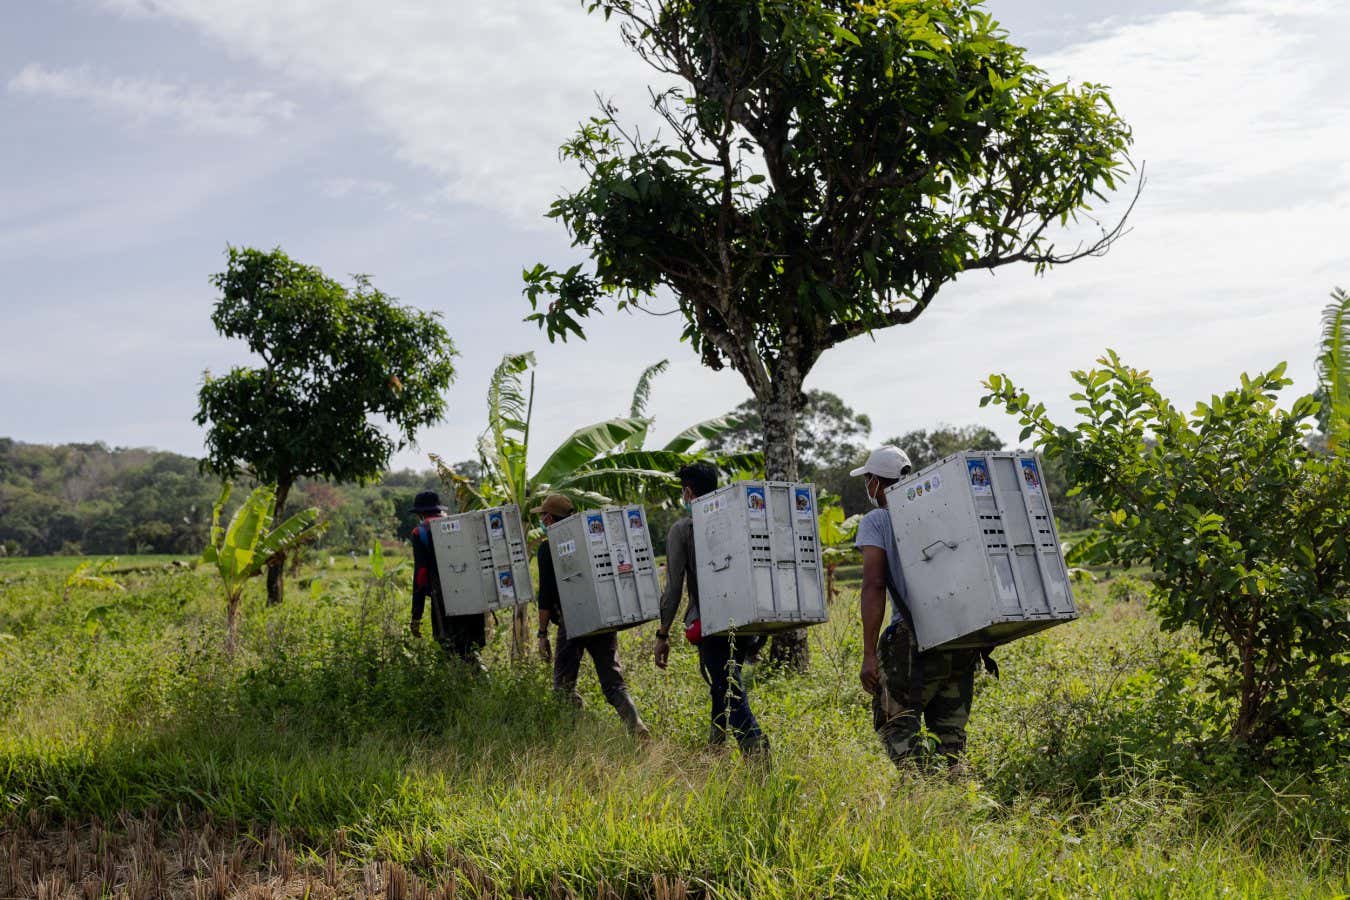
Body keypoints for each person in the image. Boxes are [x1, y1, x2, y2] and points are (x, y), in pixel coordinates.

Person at [853, 447, 983, 768]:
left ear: (877, 484)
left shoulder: (877, 521)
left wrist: (870, 654)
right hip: (960, 635)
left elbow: (874, 585)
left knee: (895, 724)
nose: (867, 485)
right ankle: (953, 801)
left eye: (868, 479)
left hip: (913, 642)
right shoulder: (939, 511)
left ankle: (919, 798)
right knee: (950, 737)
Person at [654, 462, 769, 756]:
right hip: (745, 622)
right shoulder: (738, 520)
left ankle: (756, 750)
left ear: (689, 492)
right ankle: (715, 748)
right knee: (721, 684)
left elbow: (673, 589)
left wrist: (662, 633)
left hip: (712, 624)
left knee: (729, 688)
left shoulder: (683, 529)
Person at [533, 493, 650, 737]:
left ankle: (575, 732)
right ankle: (635, 723)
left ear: (548, 518)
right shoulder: (591, 541)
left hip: (572, 621)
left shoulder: (548, 548)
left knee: (563, 685)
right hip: (602, 617)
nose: (542, 521)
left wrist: (542, 632)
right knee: (613, 682)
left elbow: (545, 596)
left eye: (543, 516)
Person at [409, 491, 487, 663]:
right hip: (474, 598)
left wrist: (416, 615)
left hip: (444, 603)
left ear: (421, 513)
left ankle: (459, 687)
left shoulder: (420, 532)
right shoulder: (461, 525)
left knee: (449, 652)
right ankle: (482, 684)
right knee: (473, 651)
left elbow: (421, 575)